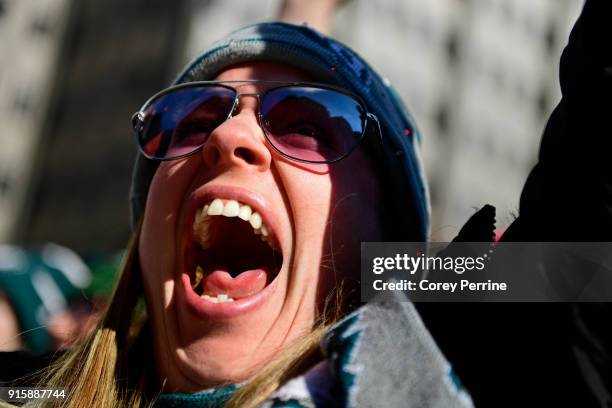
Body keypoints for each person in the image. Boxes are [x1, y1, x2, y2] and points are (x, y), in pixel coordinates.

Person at [2, 1, 610, 407]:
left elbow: (576, 267)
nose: (226, 137)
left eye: (312, 125)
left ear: (385, 244)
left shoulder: (451, 363)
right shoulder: (31, 393)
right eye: (188, 118)